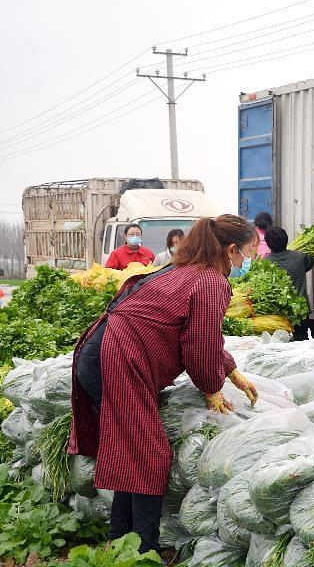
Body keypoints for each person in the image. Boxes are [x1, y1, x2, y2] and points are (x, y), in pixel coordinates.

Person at [69, 215, 260, 553]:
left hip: (106, 353)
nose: (248, 262)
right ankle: (143, 549)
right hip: (118, 359)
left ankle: (120, 540)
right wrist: (211, 384)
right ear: (231, 250)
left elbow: (202, 337)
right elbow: (199, 350)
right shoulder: (211, 281)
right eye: (248, 254)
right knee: (147, 454)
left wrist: (230, 371)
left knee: (133, 451)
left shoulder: (189, 270)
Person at [265, 226, 314, 338]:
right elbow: (309, 264)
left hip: (279, 314)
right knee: (301, 344)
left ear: (268, 244)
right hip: (300, 311)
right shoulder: (300, 256)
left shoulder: (265, 263)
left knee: (281, 346)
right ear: (287, 240)